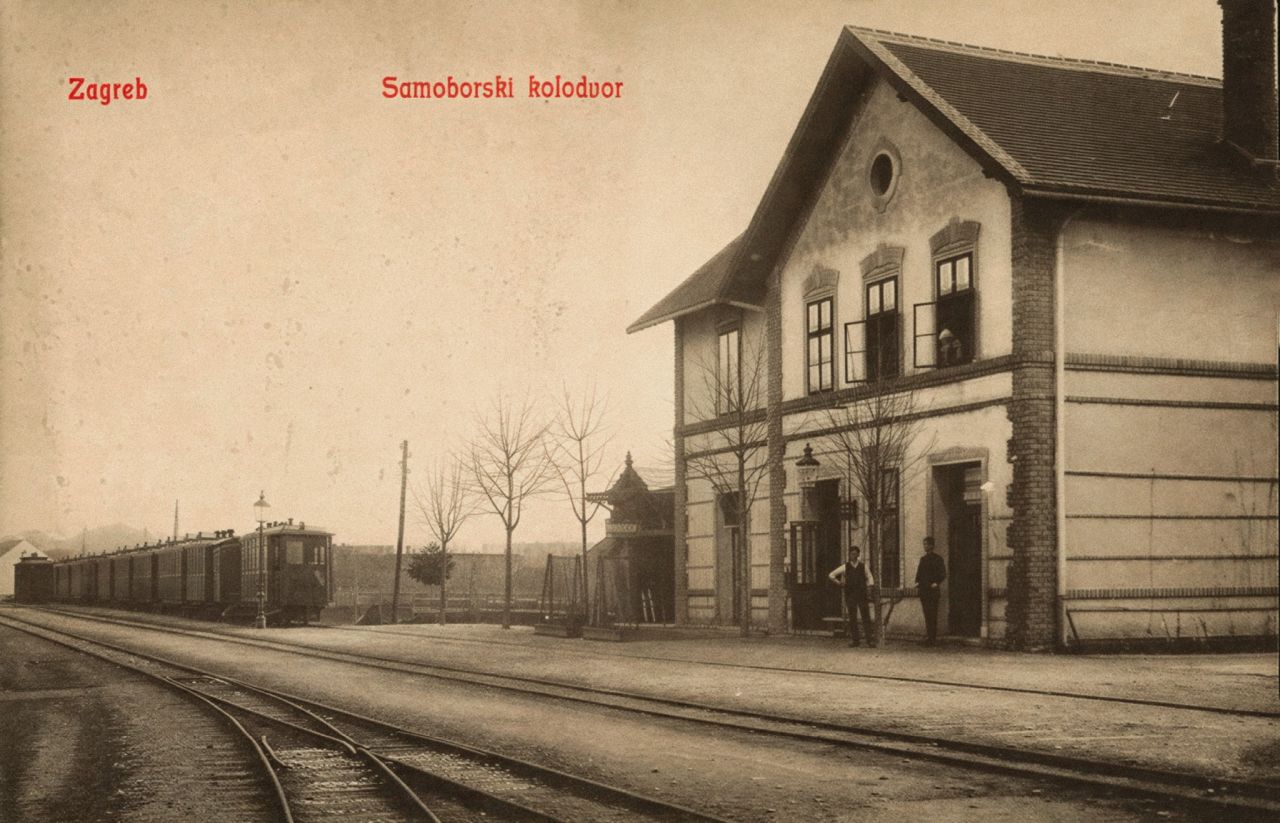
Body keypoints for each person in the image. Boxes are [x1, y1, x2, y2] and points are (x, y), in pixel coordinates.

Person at [828, 546, 875, 647]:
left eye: (854, 554)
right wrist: (839, 583)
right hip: (850, 594)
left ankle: (869, 641)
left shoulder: (863, 566)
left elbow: (870, 576)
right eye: (851, 554)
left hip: (862, 594)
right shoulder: (845, 567)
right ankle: (855, 641)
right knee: (852, 618)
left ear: (858, 554)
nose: (852, 556)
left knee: (865, 617)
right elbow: (831, 575)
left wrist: (870, 586)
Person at [915, 536, 947, 645]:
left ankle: (932, 638)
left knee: (933, 615)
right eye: (924, 544)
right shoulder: (923, 559)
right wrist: (918, 582)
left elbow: (943, 574)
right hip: (924, 591)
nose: (925, 546)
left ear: (932, 546)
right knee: (927, 614)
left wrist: (936, 583)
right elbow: (919, 574)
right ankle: (929, 637)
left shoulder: (938, 559)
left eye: (927, 544)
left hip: (933, 592)